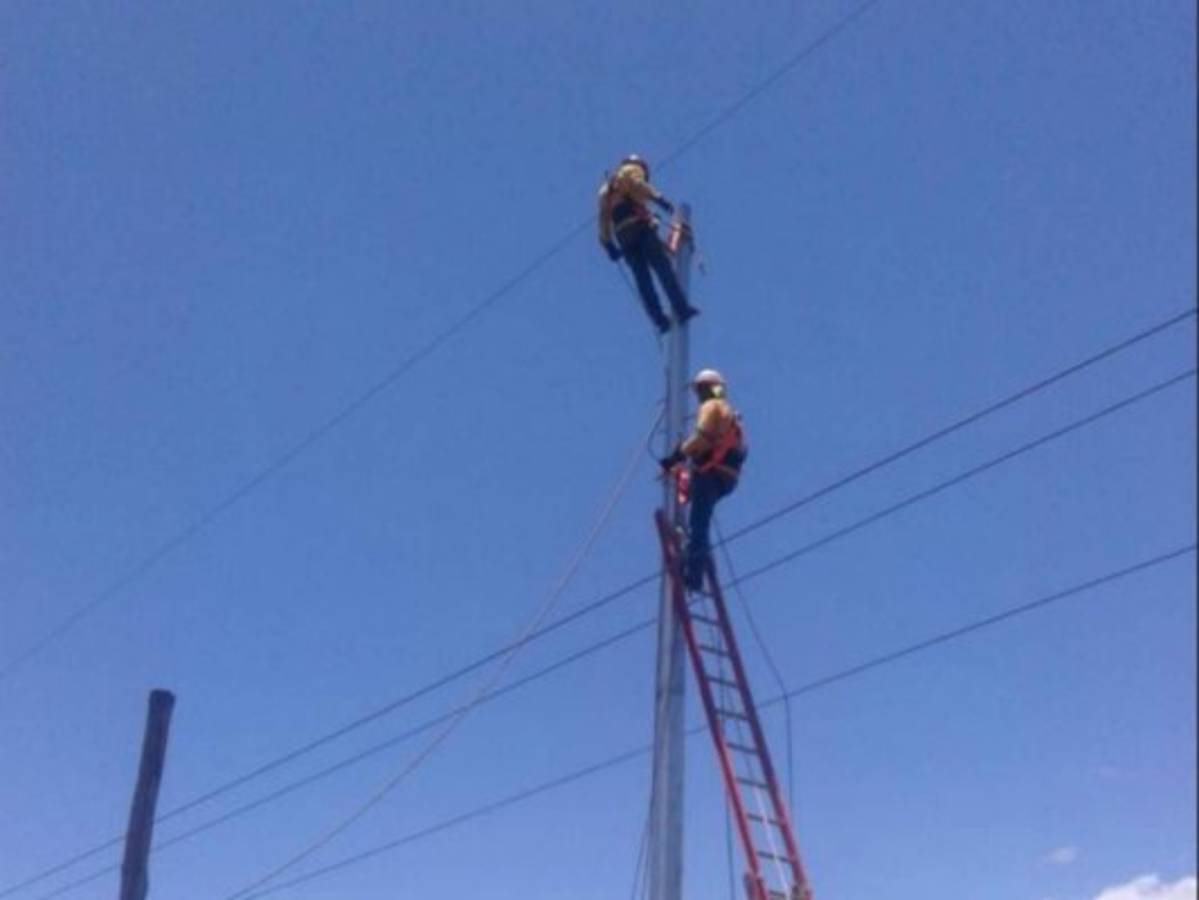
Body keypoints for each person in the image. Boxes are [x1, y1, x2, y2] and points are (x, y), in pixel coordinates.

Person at [659, 369, 747, 590]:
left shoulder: (711, 407)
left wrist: (677, 456)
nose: (699, 395)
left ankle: (694, 574)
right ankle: (699, 561)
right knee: (700, 520)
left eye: (700, 390)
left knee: (698, 524)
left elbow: (703, 436)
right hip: (727, 478)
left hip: (711, 472)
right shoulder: (731, 414)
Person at [597, 154, 699, 334]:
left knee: (643, 281)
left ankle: (660, 321)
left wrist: (608, 245)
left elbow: (603, 220)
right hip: (640, 229)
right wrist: (659, 199)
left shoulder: (606, 190)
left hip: (624, 237)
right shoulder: (630, 170)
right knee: (663, 268)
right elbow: (639, 185)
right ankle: (681, 308)